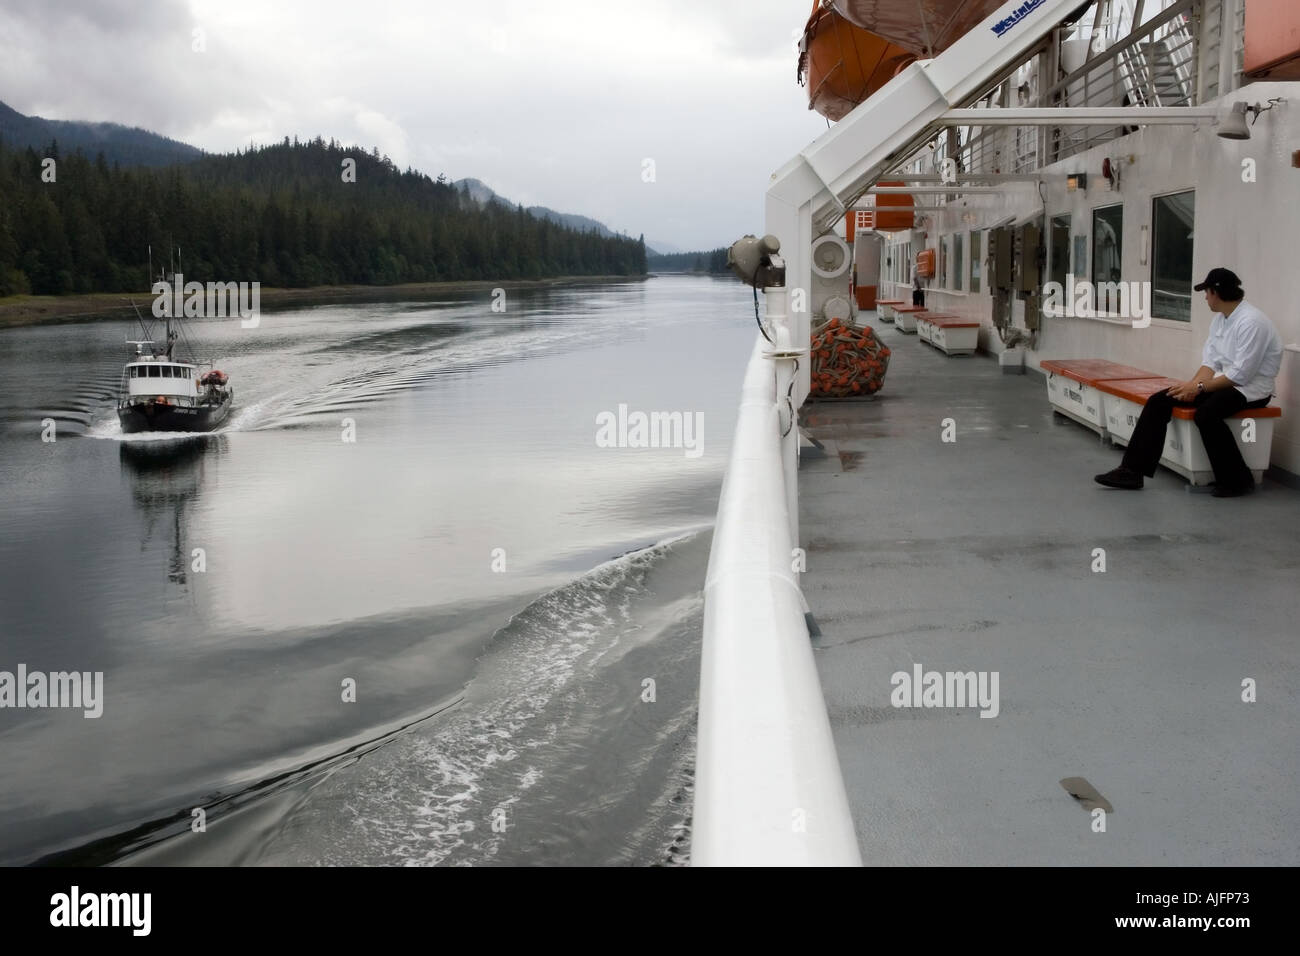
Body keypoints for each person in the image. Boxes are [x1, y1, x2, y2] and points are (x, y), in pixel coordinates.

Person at [1094, 268, 1282, 497]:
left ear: (1216, 292)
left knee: (1207, 414)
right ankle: (1131, 471)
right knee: (1159, 401)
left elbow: (1241, 375)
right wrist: (1189, 388)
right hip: (1225, 383)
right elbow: (1209, 364)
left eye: (1207, 292)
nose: (1205, 298)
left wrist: (1200, 388)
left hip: (1252, 390)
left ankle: (1237, 480)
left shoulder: (1252, 322)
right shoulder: (1220, 321)